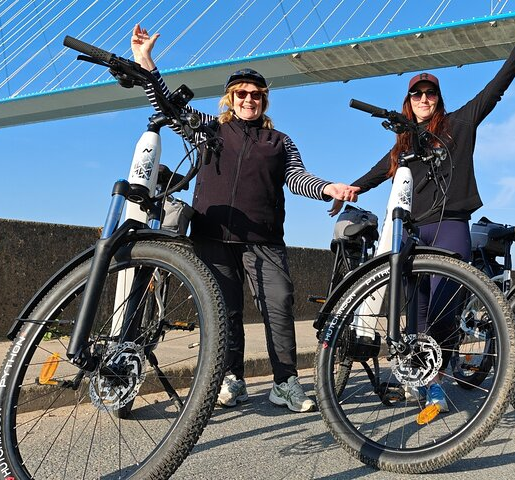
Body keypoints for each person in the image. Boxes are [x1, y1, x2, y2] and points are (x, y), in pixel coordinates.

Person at [329, 26, 515, 412]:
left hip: (450, 223)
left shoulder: (459, 124)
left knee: (448, 298)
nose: (424, 98)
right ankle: (427, 380)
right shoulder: (405, 142)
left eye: (430, 93)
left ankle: (439, 364)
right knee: (417, 308)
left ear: (438, 99)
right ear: (409, 102)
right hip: (412, 228)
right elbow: (380, 170)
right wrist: (352, 188)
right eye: (417, 94)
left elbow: (495, 88)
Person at [130, 24, 360, 413]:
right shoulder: (209, 130)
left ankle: (285, 382)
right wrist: (147, 62)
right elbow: (168, 107)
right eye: (241, 93)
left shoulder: (279, 141)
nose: (248, 99)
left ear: (264, 101)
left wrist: (327, 188)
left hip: (264, 239)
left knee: (279, 305)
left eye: (256, 95)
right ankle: (232, 379)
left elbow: (296, 178)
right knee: (225, 311)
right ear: (230, 99)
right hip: (213, 236)